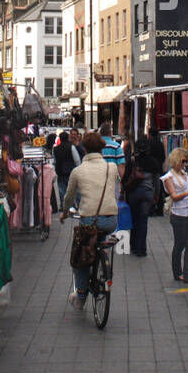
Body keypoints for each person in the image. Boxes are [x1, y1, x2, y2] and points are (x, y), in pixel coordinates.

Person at [61, 131, 119, 311]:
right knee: (99, 241)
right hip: (111, 220)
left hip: (89, 221)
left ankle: (80, 296)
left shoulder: (78, 171)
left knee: (81, 257)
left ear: (84, 148)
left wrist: (64, 213)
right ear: (102, 147)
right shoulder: (112, 168)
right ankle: (104, 266)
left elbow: (69, 197)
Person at [161, 147, 188, 284]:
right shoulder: (169, 177)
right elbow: (174, 196)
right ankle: (177, 272)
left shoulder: (185, 174)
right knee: (180, 244)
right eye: (183, 161)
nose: (184, 164)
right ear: (176, 160)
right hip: (179, 214)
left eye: (186, 161)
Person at [125, 134, 160, 257]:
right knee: (143, 221)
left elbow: (125, 178)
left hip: (133, 194)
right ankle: (142, 249)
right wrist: (157, 195)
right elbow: (156, 181)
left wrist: (123, 191)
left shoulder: (133, 161)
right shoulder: (153, 162)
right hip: (147, 194)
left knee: (134, 220)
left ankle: (133, 246)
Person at [53, 131, 78, 199]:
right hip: (70, 171)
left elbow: (54, 160)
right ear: (67, 138)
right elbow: (77, 160)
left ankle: (63, 205)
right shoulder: (71, 147)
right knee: (72, 190)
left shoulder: (55, 149)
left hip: (60, 171)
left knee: (62, 190)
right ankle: (72, 205)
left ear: (60, 139)